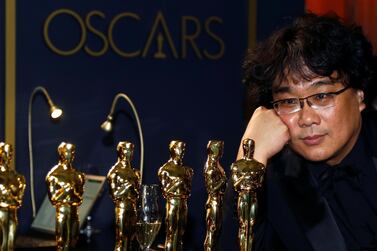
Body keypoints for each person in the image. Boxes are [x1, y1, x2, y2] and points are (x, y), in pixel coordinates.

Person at [239, 13, 377, 251]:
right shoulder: (273, 182)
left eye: (322, 96)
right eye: (289, 102)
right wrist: (249, 157)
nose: (306, 119)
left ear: (359, 94)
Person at [46, 142, 85, 251]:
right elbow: (53, 198)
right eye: (67, 152)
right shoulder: (54, 175)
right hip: (62, 211)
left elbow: (80, 197)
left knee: (73, 240)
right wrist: (66, 190)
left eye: (72, 152)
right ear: (61, 153)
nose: (70, 154)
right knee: (62, 242)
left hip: (74, 212)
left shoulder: (78, 175)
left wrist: (74, 194)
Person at [158, 140, 193, 251]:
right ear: (172, 149)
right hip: (172, 203)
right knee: (171, 233)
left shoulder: (186, 170)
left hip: (183, 203)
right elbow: (164, 190)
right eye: (179, 148)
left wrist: (184, 186)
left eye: (183, 149)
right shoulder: (165, 169)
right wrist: (178, 183)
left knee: (180, 234)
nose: (181, 151)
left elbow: (188, 190)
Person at [107, 141, 140, 251]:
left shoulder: (135, 173)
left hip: (133, 208)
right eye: (126, 150)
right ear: (120, 152)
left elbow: (137, 193)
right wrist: (128, 187)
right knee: (121, 238)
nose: (128, 153)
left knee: (131, 238)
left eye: (131, 150)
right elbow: (114, 194)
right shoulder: (115, 171)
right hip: (121, 207)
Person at [0, 142, 26, 251]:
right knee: (2, 242)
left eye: (10, 153)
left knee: (11, 243)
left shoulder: (17, 176)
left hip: (13, 212)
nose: (8, 156)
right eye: (5, 153)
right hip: (1, 212)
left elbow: (20, 194)